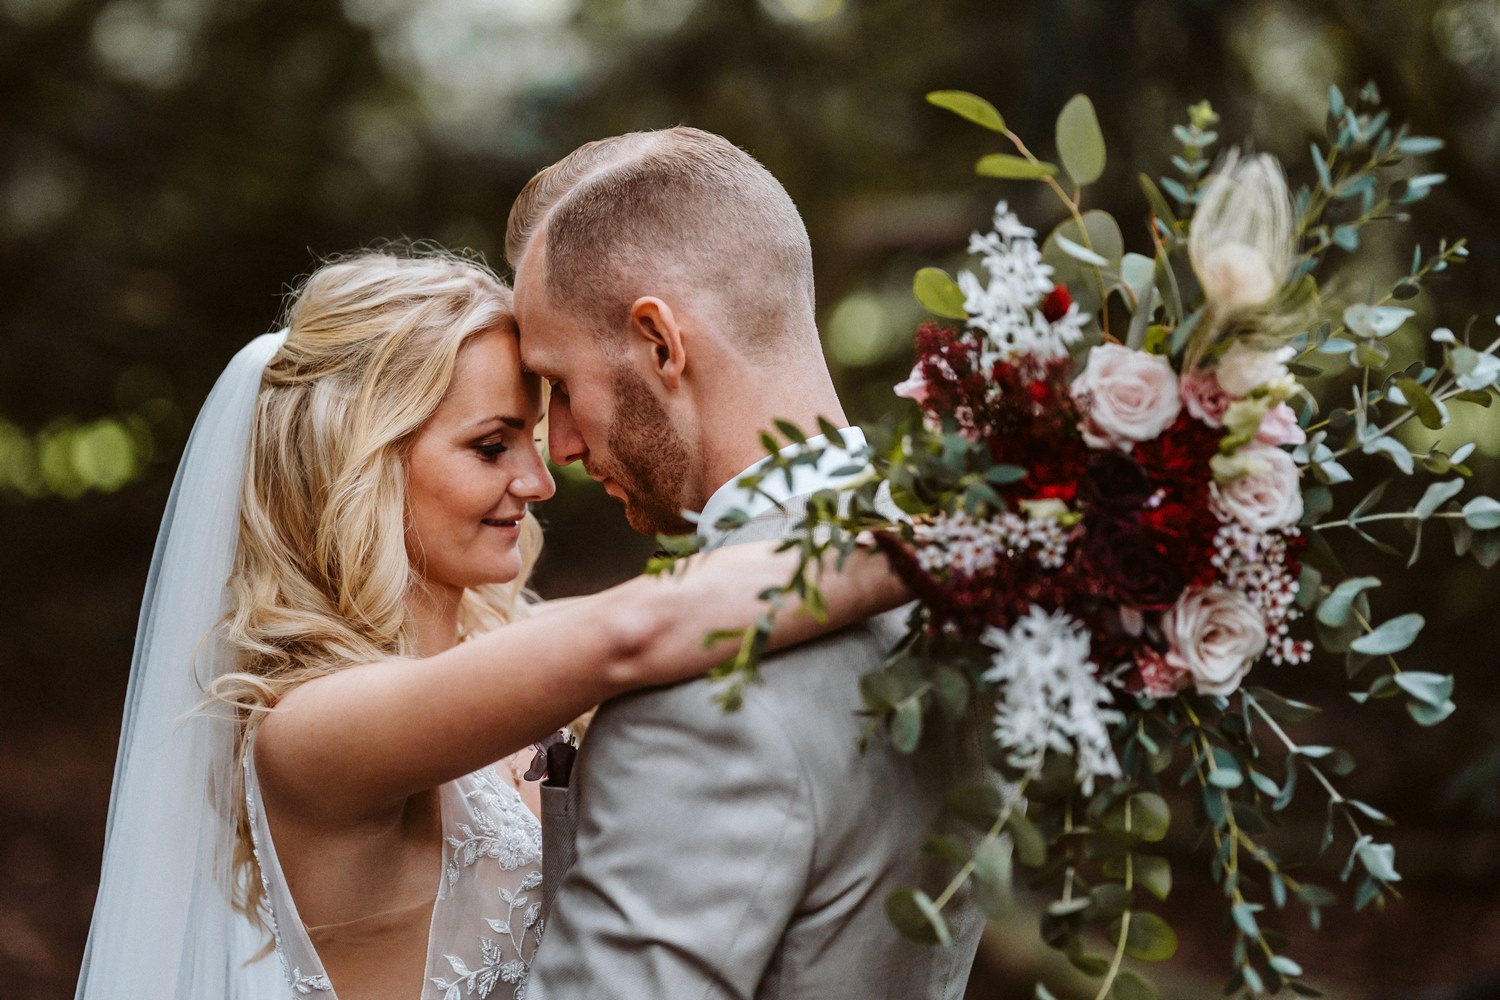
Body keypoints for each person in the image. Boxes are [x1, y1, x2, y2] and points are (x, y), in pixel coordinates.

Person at [73, 249, 909, 1000]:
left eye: (533, 440)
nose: (540, 481)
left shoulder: (501, 652)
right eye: (490, 447)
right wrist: (943, 542)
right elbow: (632, 633)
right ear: (360, 463)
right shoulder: (309, 735)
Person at [507, 126, 984, 1000]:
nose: (561, 444)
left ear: (659, 343)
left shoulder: (706, 694)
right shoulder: (956, 582)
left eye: (562, 386)